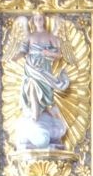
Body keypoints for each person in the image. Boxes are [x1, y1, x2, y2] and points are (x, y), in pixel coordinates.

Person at [13, 12, 70, 148]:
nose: (39, 21)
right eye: (36, 19)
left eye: (41, 19)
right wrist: (15, 56)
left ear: (44, 20)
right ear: (33, 21)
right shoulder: (30, 36)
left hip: (44, 67)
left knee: (45, 90)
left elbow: (58, 54)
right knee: (31, 84)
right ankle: (35, 111)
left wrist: (47, 53)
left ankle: (43, 108)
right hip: (31, 66)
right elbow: (23, 50)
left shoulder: (50, 37)